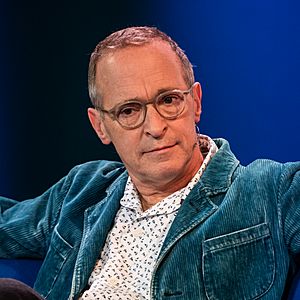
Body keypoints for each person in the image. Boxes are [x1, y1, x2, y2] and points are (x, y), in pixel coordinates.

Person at [0, 26, 299, 300]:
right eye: (129, 111)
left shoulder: (270, 190)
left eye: (168, 101)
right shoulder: (82, 191)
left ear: (195, 102)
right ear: (100, 126)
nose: (155, 127)